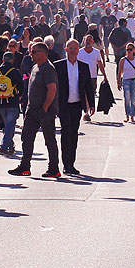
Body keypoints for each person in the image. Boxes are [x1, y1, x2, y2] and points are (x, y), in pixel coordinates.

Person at [9, 42, 61, 178]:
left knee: (49, 139)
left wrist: (45, 108)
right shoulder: (35, 67)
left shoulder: (48, 68)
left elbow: (52, 89)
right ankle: (25, 166)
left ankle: (54, 168)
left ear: (42, 53)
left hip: (45, 110)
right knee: (26, 137)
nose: (30, 54)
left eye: (33, 52)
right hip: (32, 110)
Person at [54, 39, 94, 175]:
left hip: (77, 105)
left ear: (78, 50)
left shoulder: (83, 66)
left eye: (75, 48)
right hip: (63, 105)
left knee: (74, 134)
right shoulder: (58, 66)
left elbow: (89, 87)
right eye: (70, 48)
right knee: (66, 134)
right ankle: (66, 164)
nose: (73, 50)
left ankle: (71, 163)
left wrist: (91, 105)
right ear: (66, 49)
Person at [0, 52, 23, 156]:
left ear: (3, 60)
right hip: (12, 102)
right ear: (13, 60)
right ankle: (4, 146)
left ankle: (10, 146)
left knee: (6, 126)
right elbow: (21, 88)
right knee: (10, 125)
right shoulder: (15, 72)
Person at [77, 33, 108, 121]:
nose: (88, 41)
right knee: (84, 94)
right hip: (82, 76)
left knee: (91, 93)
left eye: (89, 40)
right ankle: (86, 112)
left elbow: (100, 64)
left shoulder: (96, 52)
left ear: (93, 42)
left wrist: (105, 76)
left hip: (93, 76)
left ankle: (91, 107)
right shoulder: (80, 52)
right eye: (86, 40)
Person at [117, 43, 135, 123]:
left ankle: (132, 116)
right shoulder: (123, 60)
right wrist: (118, 82)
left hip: (134, 80)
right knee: (127, 98)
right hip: (126, 80)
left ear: (134, 50)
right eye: (127, 49)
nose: (129, 51)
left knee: (133, 99)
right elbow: (120, 72)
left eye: (131, 49)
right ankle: (127, 115)